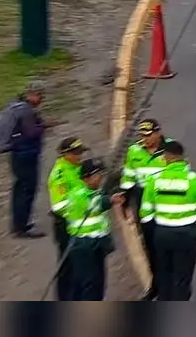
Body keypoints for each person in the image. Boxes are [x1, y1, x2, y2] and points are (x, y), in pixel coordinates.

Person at [139, 141, 196, 301]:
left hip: (162, 235)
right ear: (182, 157)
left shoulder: (154, 180)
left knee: (164, 274)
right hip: (187, 236)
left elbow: (145, 212)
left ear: (166, 158)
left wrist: (153, 234)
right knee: (182, 276)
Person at [120, 118, 171, 300]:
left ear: (158, 133)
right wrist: (125, 203)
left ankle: (170, 285)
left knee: (166, 247)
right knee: (150, 246)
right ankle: (156, 285)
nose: (146, 139)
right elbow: (128, 178)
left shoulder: (170, 149)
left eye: (149, 135)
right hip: (144, 205)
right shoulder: (134, 151)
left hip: (165, 203)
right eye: (143, 136)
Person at [10, 80, 62, 239]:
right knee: (27, 190)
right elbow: (31, 133)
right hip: (26, 155)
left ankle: (18, 224)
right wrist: (45, 125)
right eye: (40, 95)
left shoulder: (17, 107)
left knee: (19, 190)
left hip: (18, 154)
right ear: (32, 94)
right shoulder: (26, 111)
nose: (41, 99)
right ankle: (22, 228)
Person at [65, 158, 122, 300]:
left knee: (98, 285)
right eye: (97, 175)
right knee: (90, 286)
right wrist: (111, 200)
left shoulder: (93, 191)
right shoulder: (78, 194)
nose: (101, 178)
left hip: (95, 245)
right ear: (86, 178)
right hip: (84, 246)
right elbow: (95, 205)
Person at [47, 137, 88, 300]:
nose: (80, 156)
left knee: (79, 264)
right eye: (76, 153)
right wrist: (82, 208)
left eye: (81, 152)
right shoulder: (59, 175)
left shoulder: (77, 167)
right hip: (65, 224)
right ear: (65, 154)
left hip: (78, 222)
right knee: (67, 265)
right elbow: (59, 206)